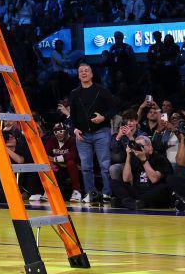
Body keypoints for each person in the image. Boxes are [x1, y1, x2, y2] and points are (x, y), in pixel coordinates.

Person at [66, 62, 116, 204]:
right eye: (81, 71)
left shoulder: (102, 90)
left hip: (101, 132)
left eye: (86, 70)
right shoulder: (74, 93)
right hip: (82, 135)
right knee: (86, 167)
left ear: (92, 74)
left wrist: (103, 118)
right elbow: (72, 116)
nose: (84, 73)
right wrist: (74, 130)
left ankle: (107, 193)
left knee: (104, 165)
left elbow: (113, 108)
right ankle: (90, 193)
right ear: (78, 75)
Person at [110, 135, 172, 209]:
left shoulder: (160, 159)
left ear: (150, 147)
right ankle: (130, 202)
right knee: (114, 182)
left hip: (153, 191)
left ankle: (128, 202)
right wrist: (128, 156)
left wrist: (144, 160)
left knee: (163, 188)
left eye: (140, 146)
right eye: (136, 146)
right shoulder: (134, 159)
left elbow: (154, 179)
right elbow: (126, 179)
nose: (138, 148)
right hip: (138, 192)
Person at [44, 123, 82, 202]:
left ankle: (76, 191)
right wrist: (56, 162)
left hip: (71, 168)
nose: (58, 134)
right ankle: (50, 191)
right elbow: (45, 154)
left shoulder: (73, 140)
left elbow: (73, 155)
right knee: (47, 164)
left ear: (66, 131)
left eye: (61, 131)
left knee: (71, 163)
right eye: (56, 132)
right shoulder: (52, 140)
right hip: (58, 168)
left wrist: (55, 159)